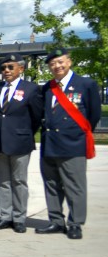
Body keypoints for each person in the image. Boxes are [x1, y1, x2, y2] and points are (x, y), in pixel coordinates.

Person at [36, 48, 100, 240]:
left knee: (75, 186)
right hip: (50, 145)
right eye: (53, 64)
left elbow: (94, 115)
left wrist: (75, 133)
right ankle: (56, 220)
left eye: (60, 62)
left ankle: (75, 223)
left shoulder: (86, 84)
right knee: (52, 185)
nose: (57, 66)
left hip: (73, 145)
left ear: (69, 62)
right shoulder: (47, 88)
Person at [0, 55, 42, 233]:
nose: (6, 71)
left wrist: (24, 133)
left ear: (21, 69)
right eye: (3, 68)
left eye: (10, 67)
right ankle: (5, 216)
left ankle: (19, 218)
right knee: (3, 181)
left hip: (20, 142)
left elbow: (36, 117)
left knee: (19, 181)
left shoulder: (31, 89)